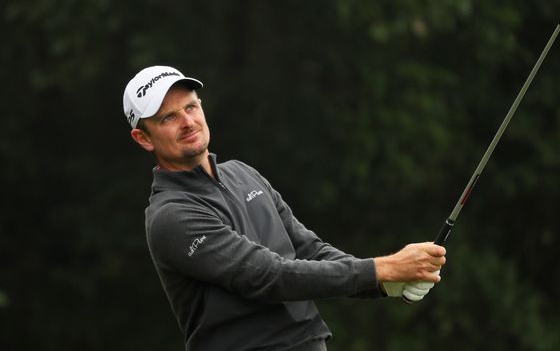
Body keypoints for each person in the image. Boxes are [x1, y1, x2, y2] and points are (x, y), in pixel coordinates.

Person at [123, 65, 446, 351]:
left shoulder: (242, 174)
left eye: (190, 107)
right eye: (168, 117)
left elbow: (310, 251)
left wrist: (384, 284)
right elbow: (268, 275)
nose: (187, 122)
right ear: (143, 138)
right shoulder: (171, 215)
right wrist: (382, 268)